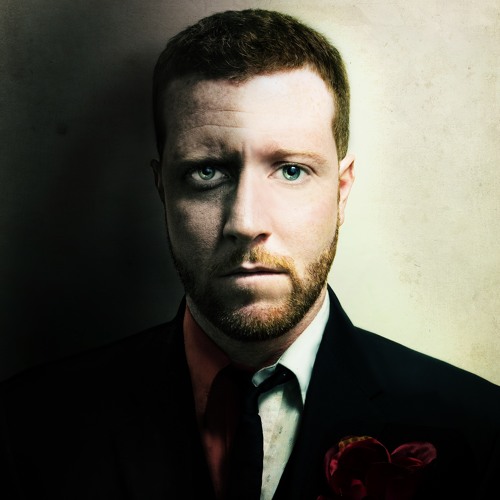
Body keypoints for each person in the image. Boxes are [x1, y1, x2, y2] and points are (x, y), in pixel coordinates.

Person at [0, 9, 499, 500]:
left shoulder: (480, 431)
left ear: (342, 191)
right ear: (162, 189)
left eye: (291, 170)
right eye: (207, 172)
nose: (245, 222)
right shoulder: (26, 426)